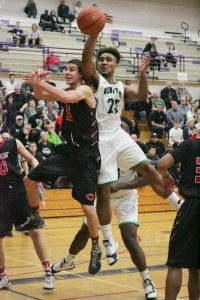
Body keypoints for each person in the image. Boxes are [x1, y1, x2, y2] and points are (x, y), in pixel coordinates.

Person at [80, 23, 183, 267]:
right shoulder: (95, 81)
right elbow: (86, 60)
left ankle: (178, 206)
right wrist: (94, 33)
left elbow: (143, 97)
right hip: (101, 138)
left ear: (116, 65)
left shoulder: (121, 87)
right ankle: (107, 241)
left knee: (149, 169)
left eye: (108, 60)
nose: (103, 62)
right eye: (101, 59)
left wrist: (144, 74)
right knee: (103, 191)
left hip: (118, 134)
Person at [51, 117, 158, 299]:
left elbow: (146, 177)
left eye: (124, 127)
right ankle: (68, 261)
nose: (120, 129)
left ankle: (147, 280)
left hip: (125, 198)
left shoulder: (132, 149)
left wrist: (121, 186)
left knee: (130, 238)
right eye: (118, 126)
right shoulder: (98, 148)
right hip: (102, 199)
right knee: (84, 232)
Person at [15, 59, 103, 276]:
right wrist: (39, 83)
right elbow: (40, 96)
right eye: (65, 69)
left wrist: (41, 82)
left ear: (82, 74)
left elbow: (65, 97)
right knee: (29, 180)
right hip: (67, 152)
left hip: (87, 157)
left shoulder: (85, 90)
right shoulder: (67, 90)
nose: (67, 72)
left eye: (72, 69)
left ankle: (96, 247)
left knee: (87, 208)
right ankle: (35, 216)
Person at [0, 132, 54, 290]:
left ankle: (48, 272)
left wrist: (36, 173)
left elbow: (32, 159)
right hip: (1, 197)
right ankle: (3, 277)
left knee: (35, 233)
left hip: (18, 192)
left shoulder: (12, 142)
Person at [157, 139, 200, 300]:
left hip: (192, 206)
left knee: (175, 263)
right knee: (196, 266)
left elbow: (161, 164)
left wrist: (166, 176)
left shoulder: (190, 145)